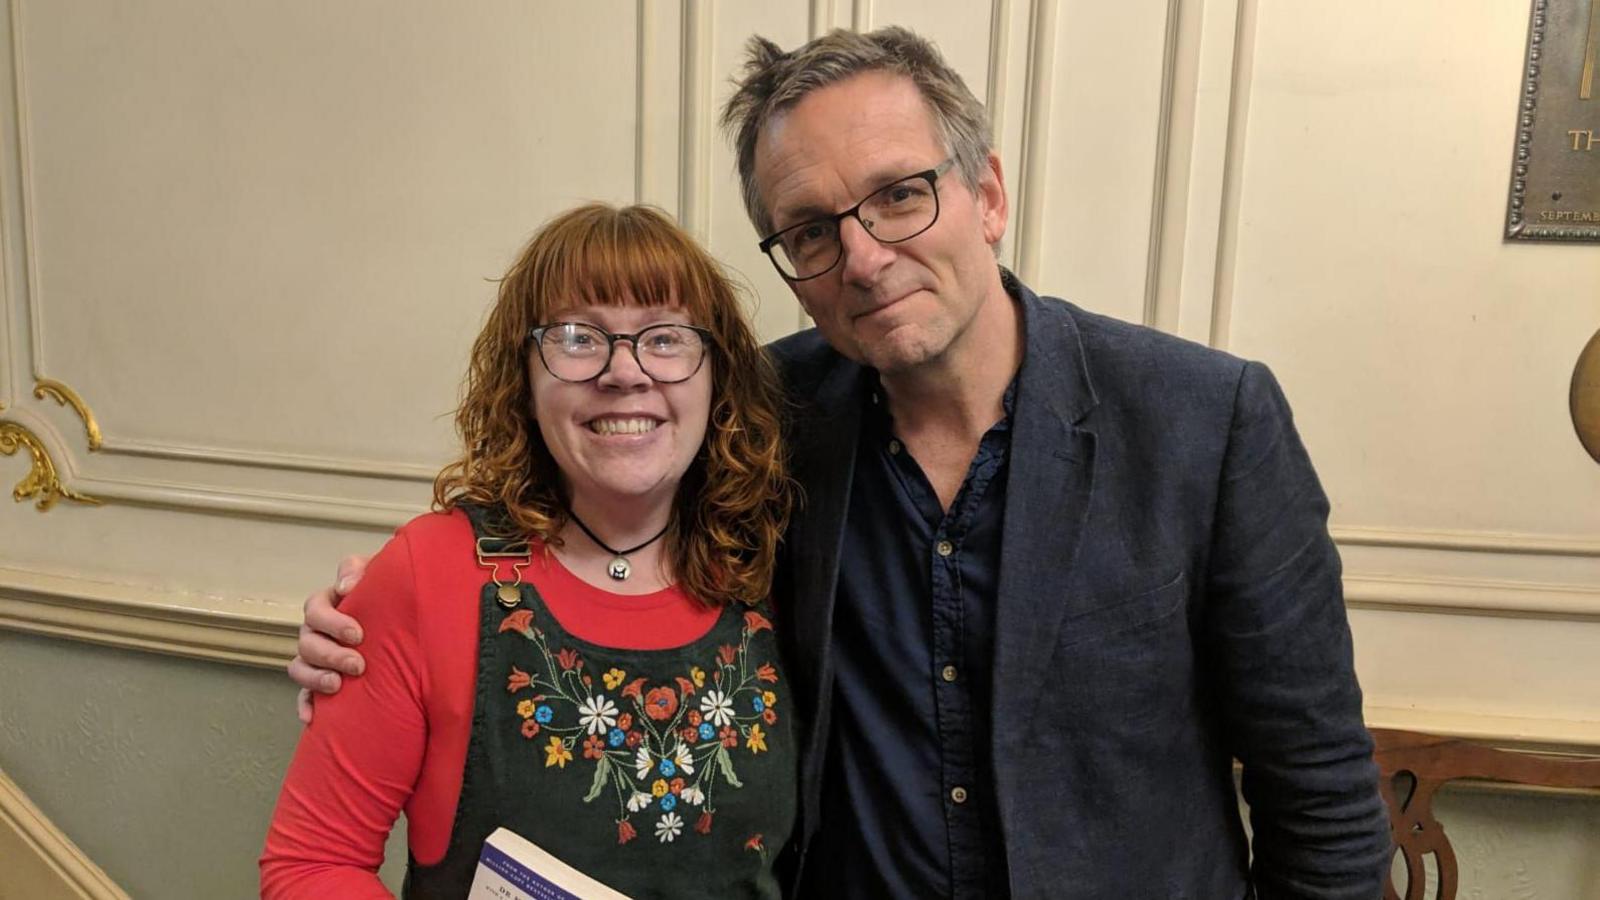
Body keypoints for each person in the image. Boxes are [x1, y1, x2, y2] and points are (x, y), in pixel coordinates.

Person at [290, 28, 1392, 899]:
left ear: (987, 194)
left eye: (898, 194)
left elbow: (1322, 800)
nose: (863, 257)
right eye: (811, 229)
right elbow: (579, 503)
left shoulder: (1205, 420)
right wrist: (373, 618)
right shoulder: (763, 420)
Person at [261, 203, 798, 899]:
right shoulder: (432, 572)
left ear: (717, 373)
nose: (624, 372)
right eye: (578, 338)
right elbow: (311, 865)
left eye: (665, 338)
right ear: (525, 374)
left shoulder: (778, 561)